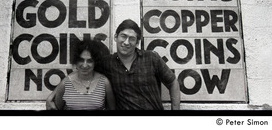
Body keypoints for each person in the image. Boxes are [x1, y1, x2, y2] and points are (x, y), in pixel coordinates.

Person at [47, 19, 180, 110]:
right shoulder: (107, 63)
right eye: (123, 36)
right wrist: (54, 94)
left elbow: (172, 82)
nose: (126, 42)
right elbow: (83, 70)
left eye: (132, 38)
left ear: (137, 42)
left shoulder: (152, 58)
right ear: (115, 37)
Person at [47, 40, 115, 110]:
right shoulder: (66, 83)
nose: (85, 65)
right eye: (81, 60)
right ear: (76, 61)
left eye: (89, 61)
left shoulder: (104, 82)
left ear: (95, 62)